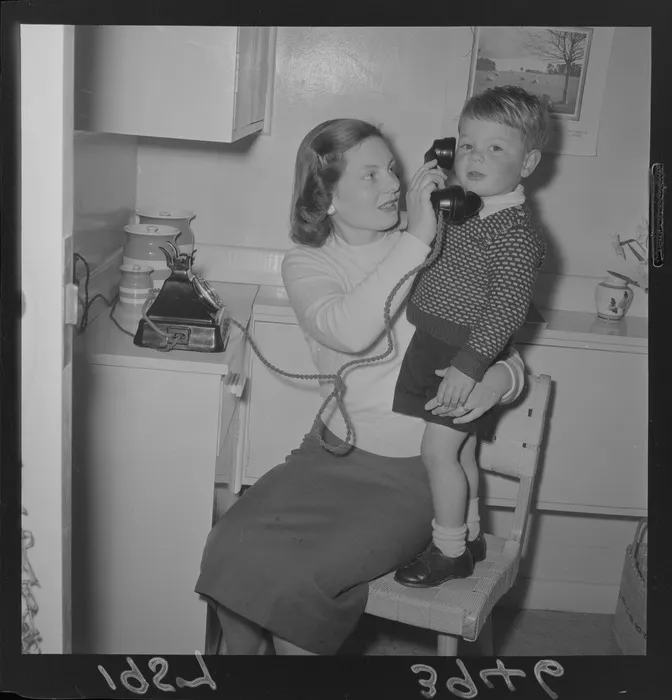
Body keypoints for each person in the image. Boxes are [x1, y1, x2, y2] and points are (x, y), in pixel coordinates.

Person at [195, 118, 527, 656]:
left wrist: (498, 381)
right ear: (325, 196)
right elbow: (349, 329)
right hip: (329, 454)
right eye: (371, 175)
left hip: (413, 474)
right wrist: (418, 238)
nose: (394, 185)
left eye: (391, 170)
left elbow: (508, 356)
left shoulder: (444, 251)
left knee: (300, 581)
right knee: (229, 547)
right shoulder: (310, 263)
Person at [392, 86, 550, 588]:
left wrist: (469, 365)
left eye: (496, 148)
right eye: (465, 144)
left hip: (465, 355)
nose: (475, 156)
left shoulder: (515, 233)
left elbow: (506, 308)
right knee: (461, 454)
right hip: (438, 345)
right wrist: (429, 193)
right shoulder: (463, 208)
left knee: (437, 452)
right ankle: (472, 535)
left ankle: (449, 550)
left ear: (528, 163)